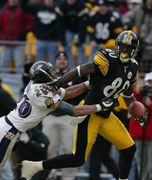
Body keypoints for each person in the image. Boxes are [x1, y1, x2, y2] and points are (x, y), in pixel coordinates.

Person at [0, 61, 114, 180]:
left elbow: (69, 93)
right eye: (50, 70)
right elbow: (74, 111)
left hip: (6, 127)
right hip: (7, 131)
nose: (54, 71)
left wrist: (91, 83)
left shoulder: (42, 86)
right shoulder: (42, 93)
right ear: (44, 75)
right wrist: (100, 107)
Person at [21, 30, 144, 180]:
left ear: (134, 50)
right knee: (77, 159)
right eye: (123, 46)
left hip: (106, 115)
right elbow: (79, 70)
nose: (125, 50)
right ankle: (35, 166)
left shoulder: (133, 67)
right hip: (89, 113)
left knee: (129, 148)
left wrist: (135, 109)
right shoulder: (107, 59)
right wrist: (59, 83)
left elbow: (128, 95)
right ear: (117, 46)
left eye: (128, 48)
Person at [42, 52, 83, 180]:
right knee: (50, 148)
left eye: (64, 58)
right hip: (50, 116)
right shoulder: (48, 75)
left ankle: (69, 177)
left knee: (69, 149)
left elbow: (80, 93)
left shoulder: (74, 75)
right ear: (55, 61)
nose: (61, 60)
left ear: (68, 61)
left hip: (68, 117)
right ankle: (50, 175)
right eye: (59, 58)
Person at [0, 0, 33, 73]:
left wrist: (25, 32)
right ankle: (2, 83)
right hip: (6, 42)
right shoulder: (3, 10)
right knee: (3, 64)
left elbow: (30, 21)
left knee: (19, 65)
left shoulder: (23, 9)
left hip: (19, 42)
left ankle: (19, 83)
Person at [122, 0, 152, 69]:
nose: (151, 1)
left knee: (146, 70)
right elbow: (126, 16)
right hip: (135, 42)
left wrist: (146, 42)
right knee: (130, 67)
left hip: (149, 48)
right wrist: (128, 23)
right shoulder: (138, 10)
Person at [56, 0, 89, 68]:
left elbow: (83, 23)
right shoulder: (62, 5)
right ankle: (70, 69)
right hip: (68, 29)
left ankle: (82, 68)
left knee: (80, 48)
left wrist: (81, 39)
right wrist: (62, 38)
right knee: (67, 47)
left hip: (79, 30)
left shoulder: (81, 5)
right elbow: (60, 23)